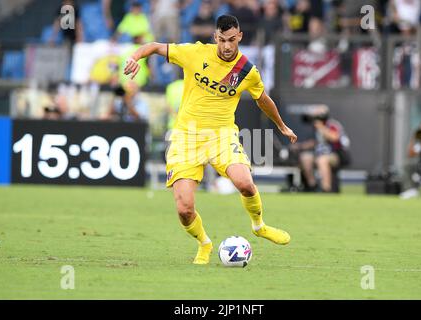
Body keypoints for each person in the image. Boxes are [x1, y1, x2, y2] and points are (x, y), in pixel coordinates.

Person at [124, 15, 297, 265]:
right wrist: (135, 57)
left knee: (245, 183)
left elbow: (263, 99)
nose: (227, 46)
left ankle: (259, 226)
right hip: (185, 137)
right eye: (223, 40)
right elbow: (154, 46)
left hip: (221, 136)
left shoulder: (246, 70)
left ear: (240, 37)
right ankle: (204, 243)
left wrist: (281, 125)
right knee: (184, 209)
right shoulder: (194, 53)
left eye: (232, 40)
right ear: (215, 37)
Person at [295, 105, 350, 193]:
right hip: (320, 154)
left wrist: (321, 127)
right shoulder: (316, 127)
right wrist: (300, 146)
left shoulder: (332, 124)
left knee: (322, 160)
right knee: (305, 157)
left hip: (337, 154)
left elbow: (335, 137)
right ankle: (312, 185)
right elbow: (315, 142)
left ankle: (326, 188)